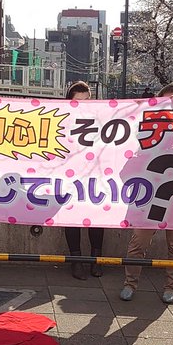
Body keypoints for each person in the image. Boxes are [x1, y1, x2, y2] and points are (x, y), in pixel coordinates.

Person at [120, 81, 173, 305]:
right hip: (147, 197)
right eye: (167, 101)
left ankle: (171, 287)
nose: (170, 106)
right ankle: (130, 283)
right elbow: (127, 168)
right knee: (137, 243)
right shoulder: (148, 132)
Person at [61, 81, 106, 280]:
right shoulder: (61, 121)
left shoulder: (101, 121)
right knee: (71, 219)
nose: (82, 105)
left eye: (87, 100)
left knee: (97, 219)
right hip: (69, 177)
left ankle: (95, 260)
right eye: (77, 101)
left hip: (96, 176)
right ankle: (76, 260)